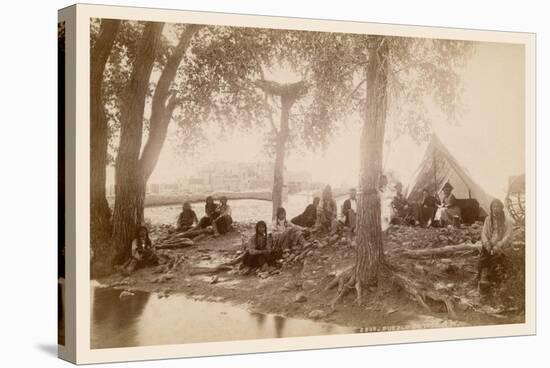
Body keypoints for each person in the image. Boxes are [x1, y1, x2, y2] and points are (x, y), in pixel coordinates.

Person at [476, 199, 514, 291]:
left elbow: (508, 236)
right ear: (491, 208)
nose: (496, 209)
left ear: (501, 208)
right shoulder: (488, 219)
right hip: (490, 244)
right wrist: (487, 244)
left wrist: (499, 245)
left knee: (497, 260)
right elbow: (484, 233)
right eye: (494, 206)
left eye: (498, 206)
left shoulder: (508, 221)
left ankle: (493, 279)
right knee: (484, 256)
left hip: (502, 246)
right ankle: (483, 276)